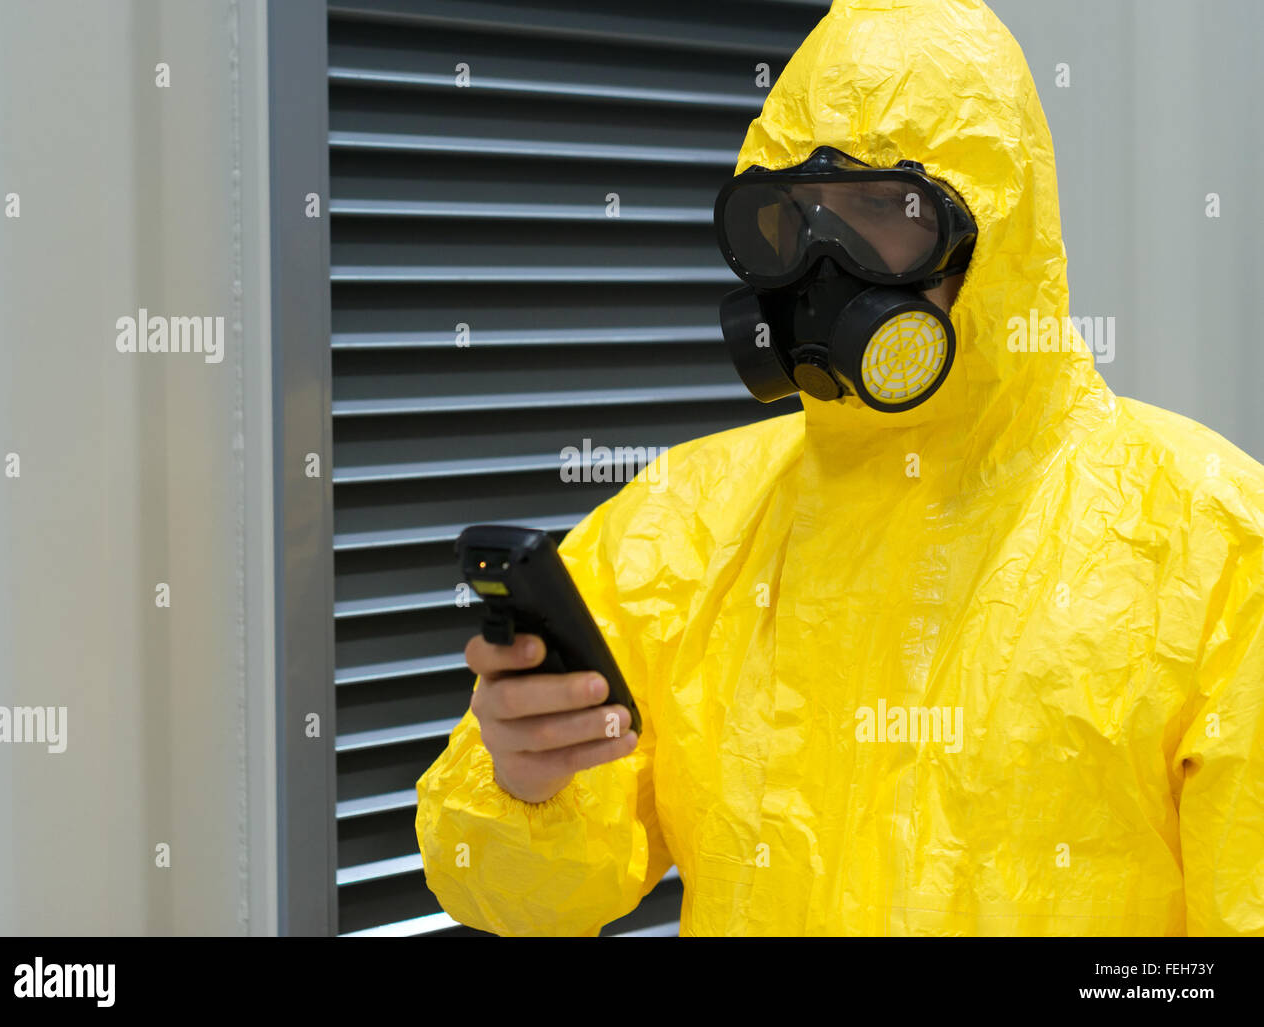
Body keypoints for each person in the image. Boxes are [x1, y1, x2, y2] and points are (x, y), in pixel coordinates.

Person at [415, 0, 1264, 936]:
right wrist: (525, 782)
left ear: (997, 237)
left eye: (884, 213)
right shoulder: (678, 527)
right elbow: (522, 894)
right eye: (790, 218)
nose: (824, 266)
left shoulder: (1211, 543)